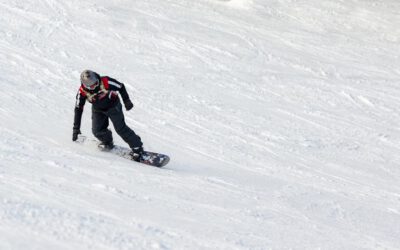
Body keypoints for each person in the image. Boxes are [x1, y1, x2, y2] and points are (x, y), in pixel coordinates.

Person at [72, 70, 144, 161]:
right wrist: (76, 129)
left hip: (113, 107)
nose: (95, 85)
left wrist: (127, 101)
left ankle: (137, 147)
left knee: (121, 129)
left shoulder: (105, 81)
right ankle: (107, 142)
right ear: (86, 86)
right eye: (92, 85)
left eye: (96, 83)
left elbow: (121, 87)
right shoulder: (82, 92)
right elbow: (78, 109)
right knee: (97, 131)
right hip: (98, 110)